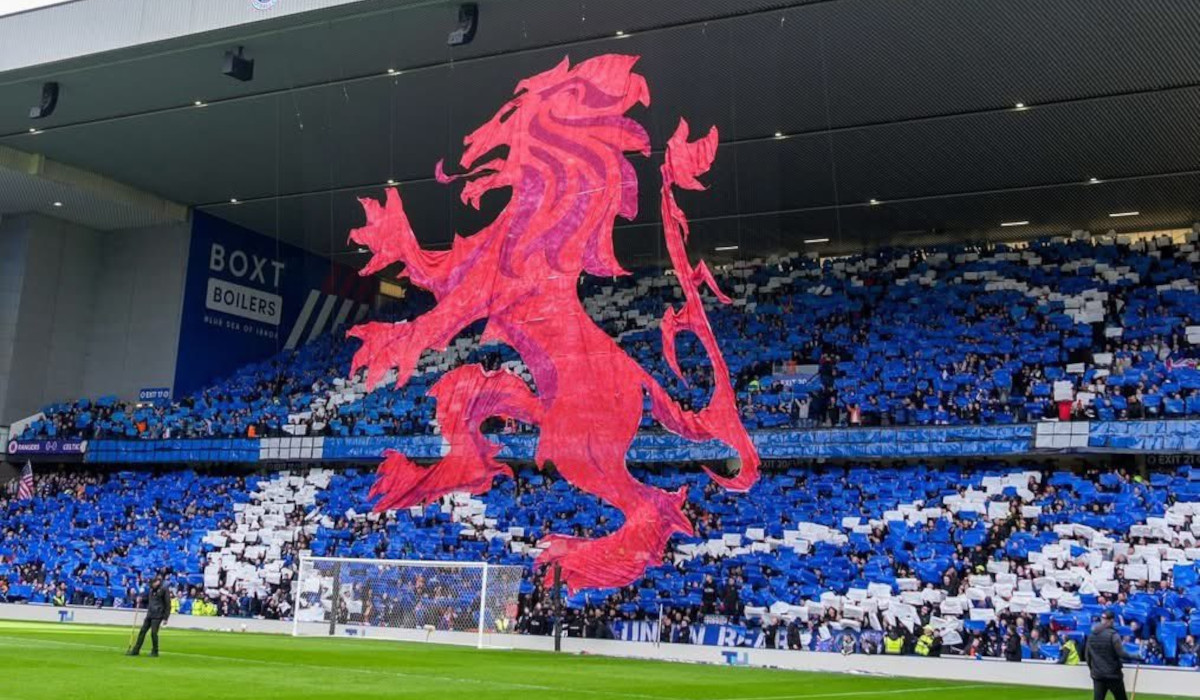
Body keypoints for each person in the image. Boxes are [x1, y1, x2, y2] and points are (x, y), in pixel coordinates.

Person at [1085, 611, 1141, 700]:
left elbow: (1087, 656)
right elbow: (1121, 653)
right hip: (1113, 675)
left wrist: (1093, 670)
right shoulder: (1113, 635)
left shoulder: (1091, 635)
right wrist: (1136, 656)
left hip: (1098, 675)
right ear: (1111, 620)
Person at [126, 576, 171, 657]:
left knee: (154, 633)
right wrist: (141, 599)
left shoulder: (164, 590)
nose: (151, 585)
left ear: (157, 582)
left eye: (153, 583)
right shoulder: (151, 590)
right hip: (150, 613)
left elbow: (168, 604)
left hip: (158, 614)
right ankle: (136, 650)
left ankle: (155, 651)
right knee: (142, 631)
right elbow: (148, 599)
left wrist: (165, 617)